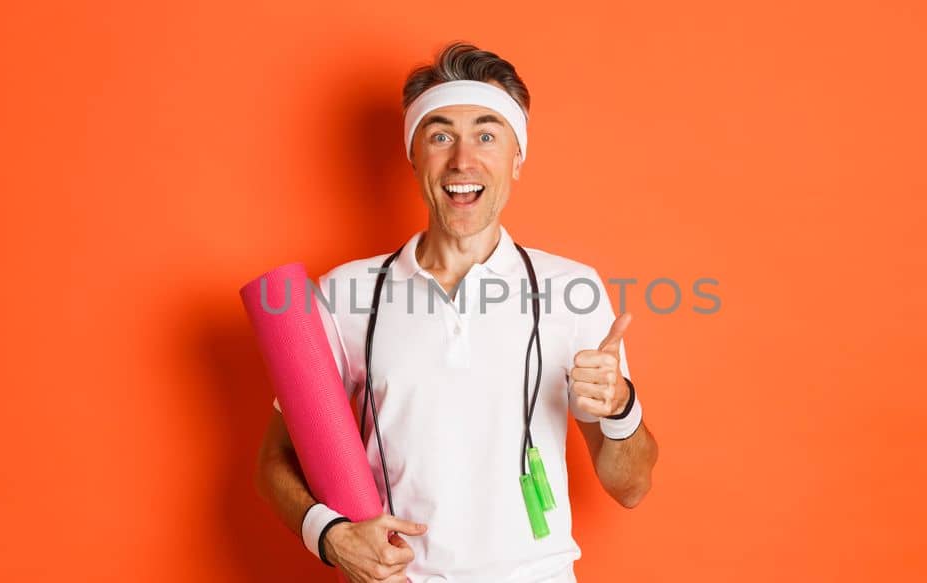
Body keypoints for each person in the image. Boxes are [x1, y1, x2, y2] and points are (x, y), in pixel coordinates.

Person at [253, 42, 660, 583]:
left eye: (487, 136)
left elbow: (629, 488)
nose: (463, 161)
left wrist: (620, 406)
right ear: (413, 155)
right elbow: (274, 459)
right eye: (440, 135)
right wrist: (330, 537)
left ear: (517, 158)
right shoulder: (346, 293)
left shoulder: (572, 290)